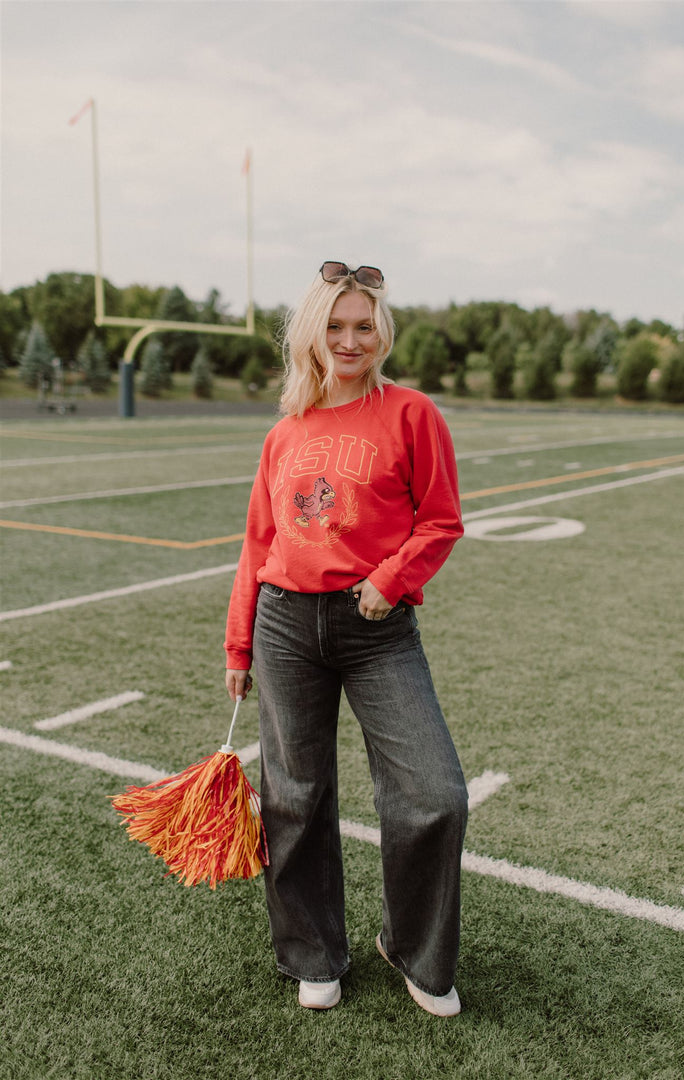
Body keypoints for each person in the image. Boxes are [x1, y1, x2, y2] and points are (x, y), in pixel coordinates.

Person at [224, 261, 468, 1016]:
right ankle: (313, 953)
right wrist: (239, 646)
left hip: (376, 628)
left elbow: (441, 521)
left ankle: (411, 946)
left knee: (434, 792)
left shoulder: (412, 414)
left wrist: (390, 580)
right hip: (284, 626)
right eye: (335, 326)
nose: (350, 340)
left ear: (382, 332)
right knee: (294, 796)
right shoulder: (284, 433)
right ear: (312, 334)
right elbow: (258, 543)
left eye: (364, 326)